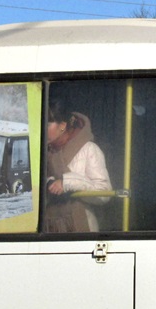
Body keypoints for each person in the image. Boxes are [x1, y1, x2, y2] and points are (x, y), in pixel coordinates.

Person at [44, 98, 112, 232]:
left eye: (47, 125)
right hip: (50, 229)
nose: (42, 130)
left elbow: (105, 192)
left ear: (62, 125)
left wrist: (67, 183)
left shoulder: (89, 149)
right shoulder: (43, 152)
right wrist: (49, 183)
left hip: (81, 229)